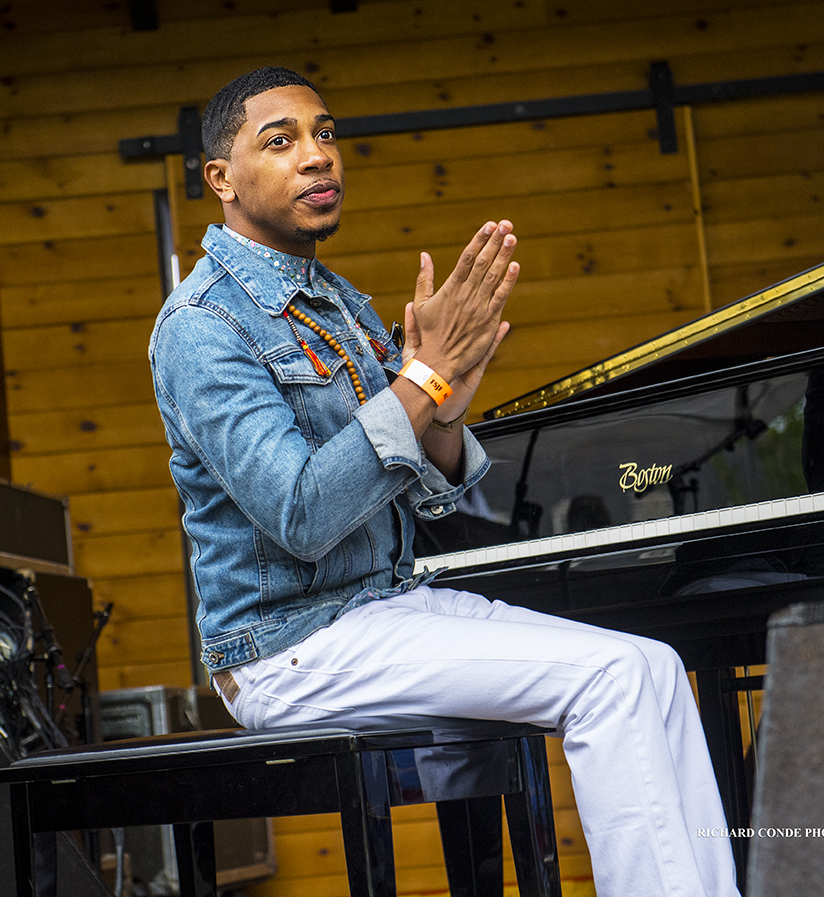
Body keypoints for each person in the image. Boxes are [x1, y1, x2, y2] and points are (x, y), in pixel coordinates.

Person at [149, 66, 741, 897]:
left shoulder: (340, 305)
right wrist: (417, 383)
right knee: (608, 680)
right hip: (289, 647)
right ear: (220, 179)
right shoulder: (202, 327)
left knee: (650, 665)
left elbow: (431, 494)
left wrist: (446, 409)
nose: (317, 157)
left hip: (384, 606)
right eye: (279, 141)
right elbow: (301, 513)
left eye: (325, 134)